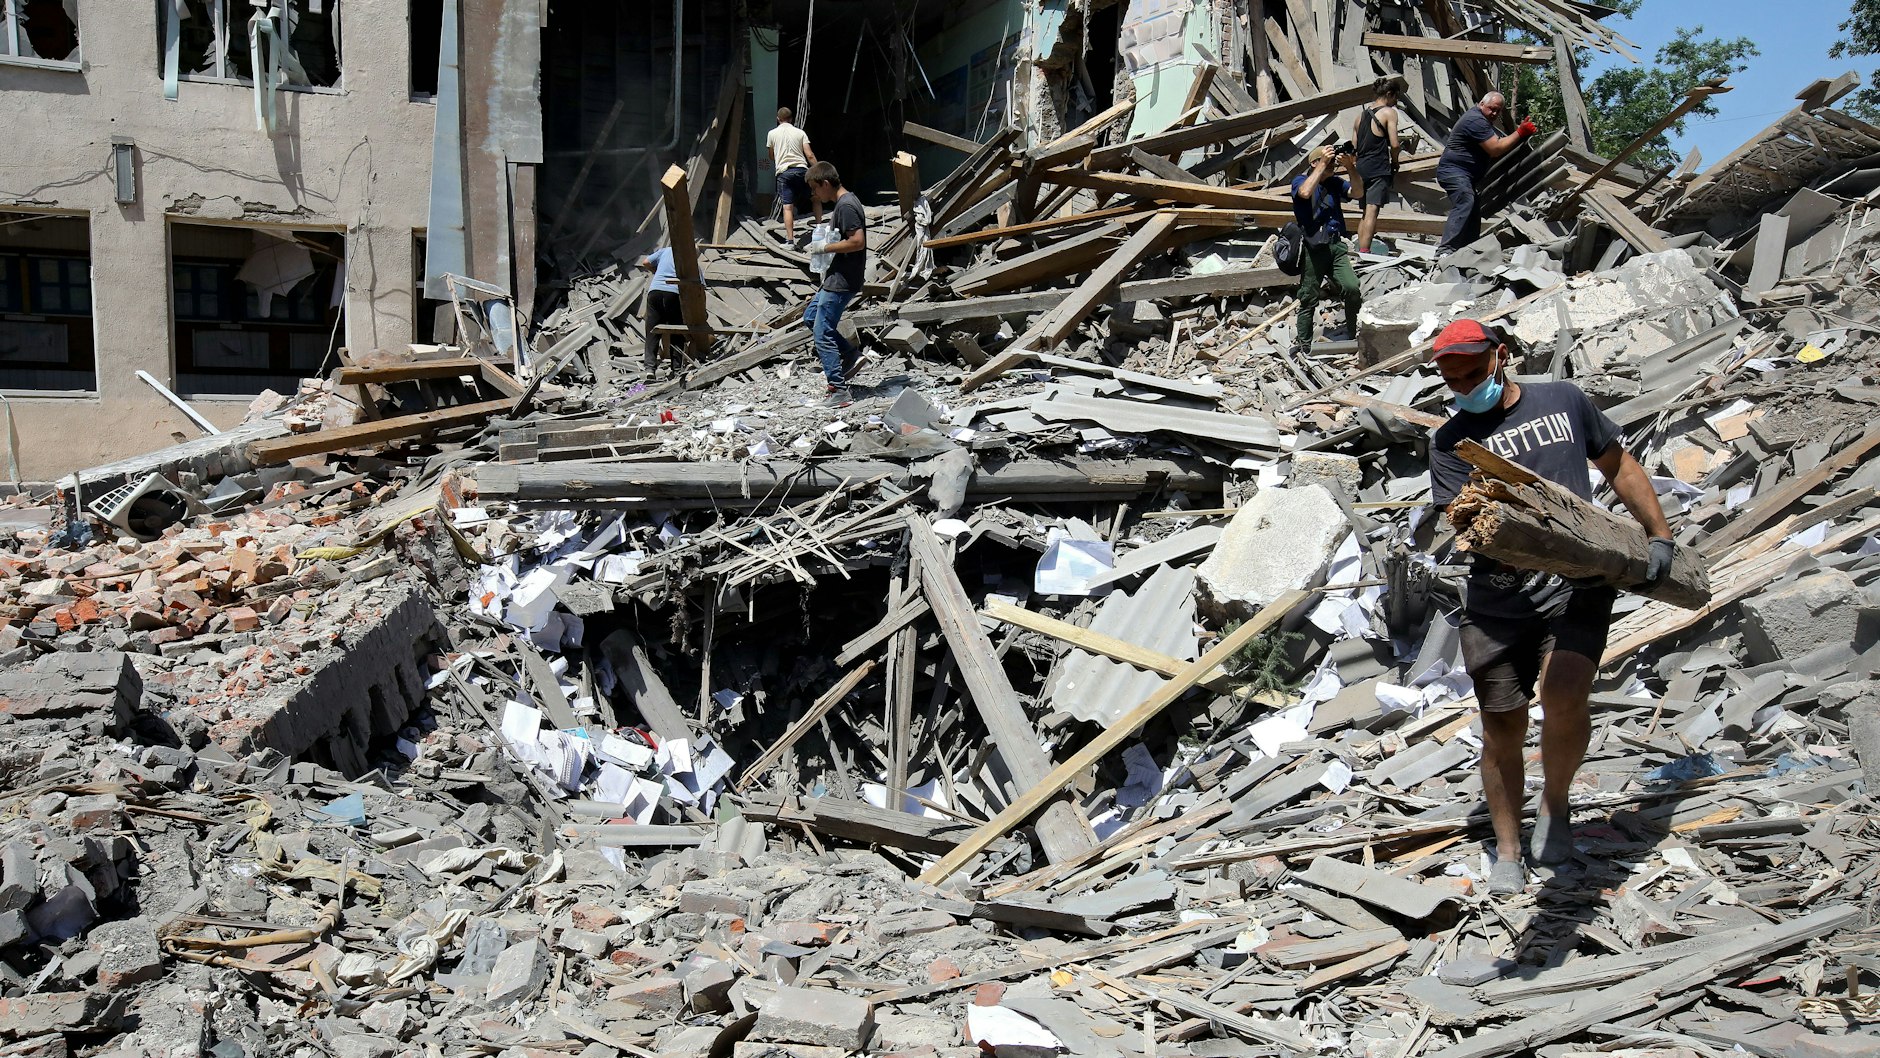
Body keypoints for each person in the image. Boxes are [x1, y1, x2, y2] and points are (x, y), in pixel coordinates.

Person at [1426, 319, 1676, 895]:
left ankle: (1556, 805)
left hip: (1579, 582)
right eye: (1452, 379)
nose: (1464, 387)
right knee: (1502, 725)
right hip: (1500, 596)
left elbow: (1617, 464)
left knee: (1564, 690)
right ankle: (1508, 847)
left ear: (1501, 356)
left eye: (1472, 373)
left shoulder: (1561, 400)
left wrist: (1657, 534)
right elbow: (1463, 520)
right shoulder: (1448, 444)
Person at [1435, 92, 1537, 256]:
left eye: (1498, 111)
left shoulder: (1483, 121)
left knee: (1474, 213)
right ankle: (1445, 250)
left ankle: (1466, 252)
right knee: (1465, 200)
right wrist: (1520, 133)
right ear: (1482, 103)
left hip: (1464, 174)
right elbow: (1495, 148)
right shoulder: (1476, 120)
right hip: (1453, 171)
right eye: (1491, 109)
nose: (1494, 114)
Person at [1289, 144, 1363, 356]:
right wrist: (1322, 163)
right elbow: (1304, 193)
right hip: (1313, 247)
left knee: (1352, 287)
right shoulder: (1300, 181)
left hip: (1335, 245)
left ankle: (1352, 333)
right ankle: (1305, 344)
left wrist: (1351, 168)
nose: (1331, 166)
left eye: (1332, 163)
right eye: (1326, 162)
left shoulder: (1334, 183)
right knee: (1308, 296)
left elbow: (1357, 192)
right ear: (1314, 163)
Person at [802, 161, 866, 406]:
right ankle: (850, 355)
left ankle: (838, 390)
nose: (814, 195)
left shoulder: (847, 206)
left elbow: (857, 241)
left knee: (822, 333)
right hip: (835, 276)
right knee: (810, 317)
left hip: (842, 279)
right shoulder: (844, 203)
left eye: (815, 189)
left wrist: (824, 247)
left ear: (825, 183)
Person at [1352, 77, 1401, 255]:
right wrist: (1395, 161)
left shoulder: (1360, 116)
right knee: (1373, 210)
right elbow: (1395, 145)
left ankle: (1359, 249)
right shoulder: (1389, 113)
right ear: (1389, 94)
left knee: (1364, 212)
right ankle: (1365, 251)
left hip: (1361, 168)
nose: (1396, 103)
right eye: (1396, 98)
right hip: (1378, 167)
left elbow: (1354, 147)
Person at [766, 108, 820, 242]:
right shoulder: (800, 133)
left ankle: (790, 240)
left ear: (778, 119)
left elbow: (771, 156)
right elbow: (809, 154)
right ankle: (820, 231)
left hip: (784, 173)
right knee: (815, 198)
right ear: (791, 119)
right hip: (802, 170)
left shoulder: (772, 134)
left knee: (787, 207)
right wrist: (819, 170)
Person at [637, 245, 688, 380]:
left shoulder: (665, 251)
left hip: (655, 292)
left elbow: (646, 262)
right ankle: (676, 369)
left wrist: (656, 271)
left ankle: (650, 369)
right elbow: (699, 285)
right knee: (676, 330)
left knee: (652, 330)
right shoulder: (690, 256)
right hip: (673, 293)